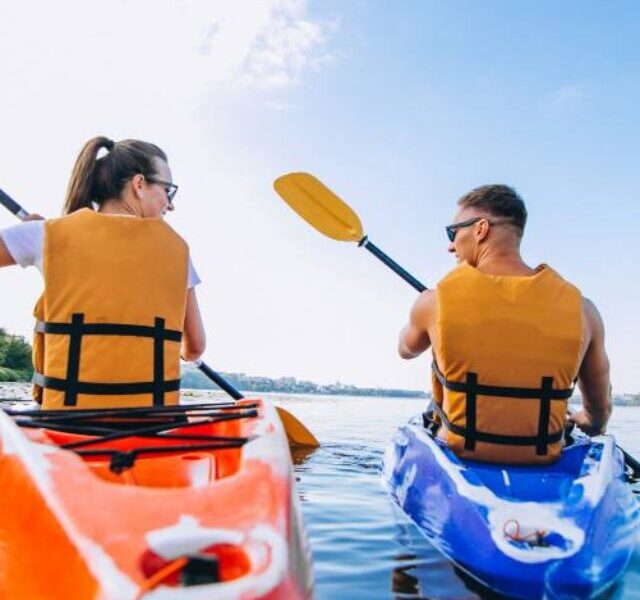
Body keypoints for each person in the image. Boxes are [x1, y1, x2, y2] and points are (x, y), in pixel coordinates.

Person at [398, 185, 611, 464]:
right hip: (546, 460)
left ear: (480, 229)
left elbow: (405, 349)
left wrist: (430, 306)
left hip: (456, 454)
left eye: (453, 232)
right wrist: (588, 421)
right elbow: (599, 411)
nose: (450, 245)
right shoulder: (584, 311)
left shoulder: (433, 303)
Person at [0, 136, 206, 410]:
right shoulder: (179, 252)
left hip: (63, 420)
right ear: (139, 184)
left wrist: (37, 237)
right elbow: (194, 348)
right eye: (168, 190)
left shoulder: (46, 235)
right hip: (151, 425)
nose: (170, 204)